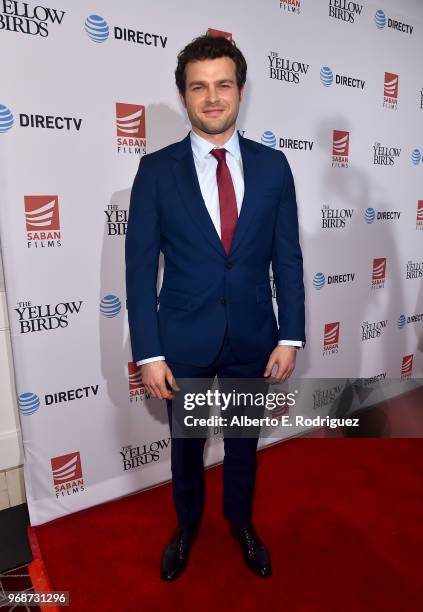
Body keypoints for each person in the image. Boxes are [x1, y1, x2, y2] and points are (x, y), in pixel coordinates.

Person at [125, 34, 305, 581]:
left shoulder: (274, 168)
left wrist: (290, 335)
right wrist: (149, 353)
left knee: (245, 445)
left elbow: (288, 258)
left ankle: (241, 524)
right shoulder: (156, 172)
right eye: (198, 86)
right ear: (184, 96)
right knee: (187, 449)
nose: (212, 97)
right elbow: (137, 270)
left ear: (240, 90)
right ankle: (186, 528)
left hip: (254, 336)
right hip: (184, 341)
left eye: (222, 84)